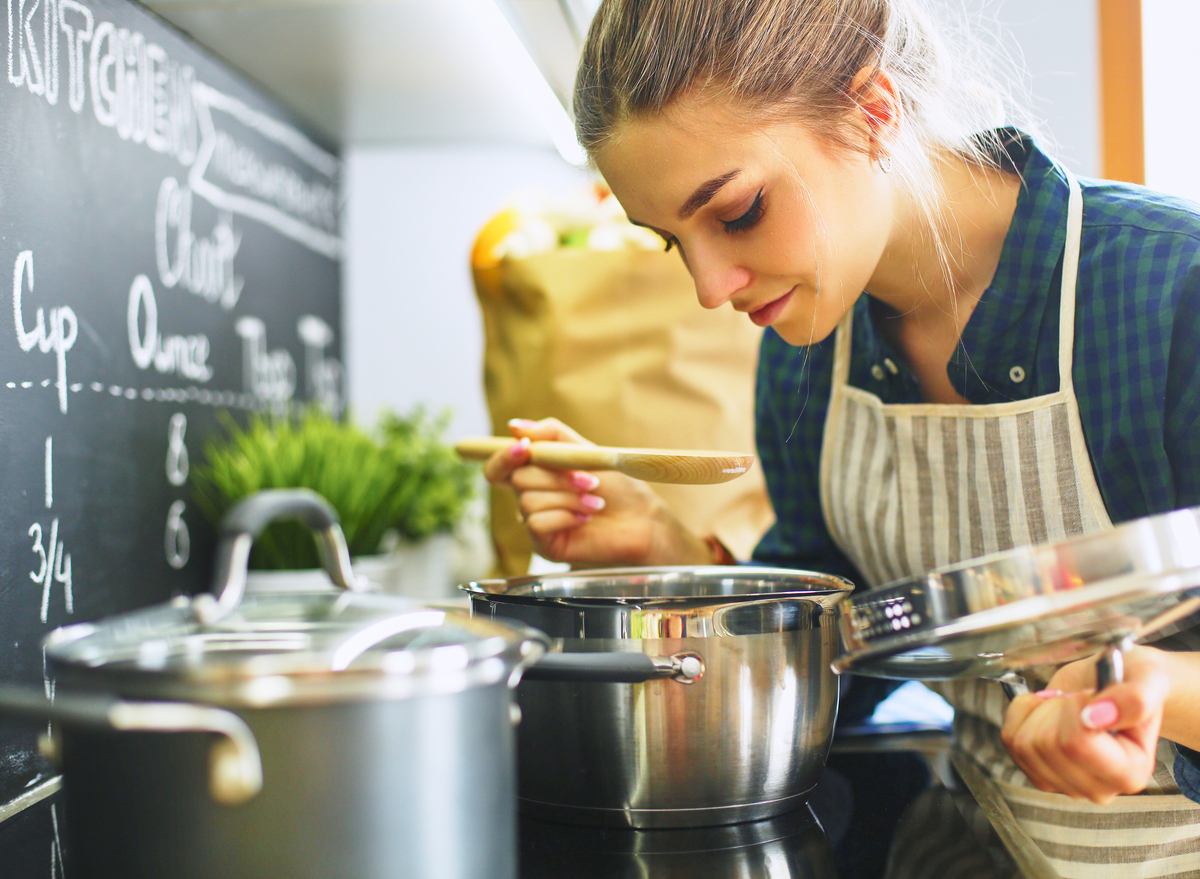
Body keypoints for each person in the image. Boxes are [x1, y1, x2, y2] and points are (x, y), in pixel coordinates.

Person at [482, 1, 1200, 876]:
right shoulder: (808, 358)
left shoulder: (1170, 290)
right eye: (675, 242)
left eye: (739, 212)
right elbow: (848, 652)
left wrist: (1155, 689)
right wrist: (678, 556)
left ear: (873, 110)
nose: (712, 287)